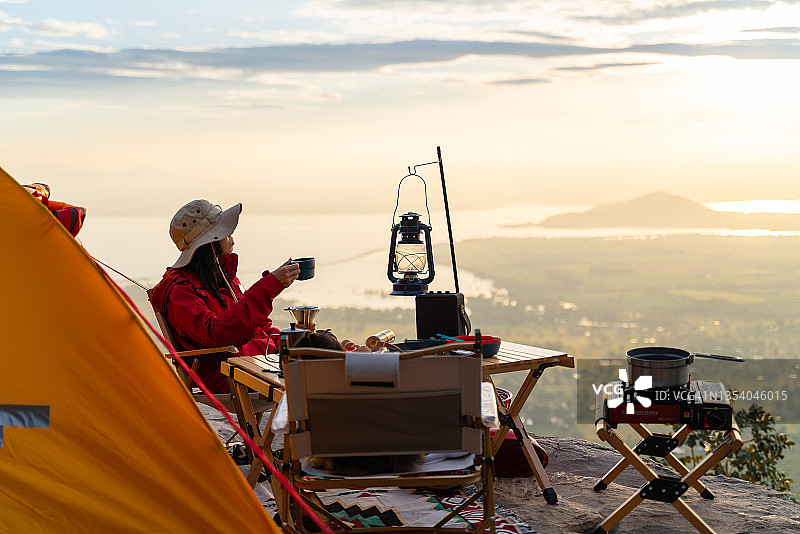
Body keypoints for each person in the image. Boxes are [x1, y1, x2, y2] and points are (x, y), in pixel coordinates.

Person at [150, 200, 299, 393]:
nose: (233, 240)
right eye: (226, 234)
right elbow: (218, 334)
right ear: (211, 242)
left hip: (254, 362)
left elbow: (259, 327)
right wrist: (269, 286)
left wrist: (293, 341)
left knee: (323, 350)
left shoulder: (222, 276)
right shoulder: (179, 290)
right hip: (228, 372)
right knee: (316, 376)